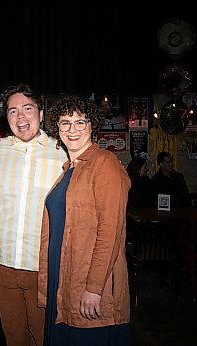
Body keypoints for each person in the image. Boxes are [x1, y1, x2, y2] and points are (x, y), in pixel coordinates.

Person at [0, 84, 67, 345]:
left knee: (43, 339)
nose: (20, 117)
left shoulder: (61, 152)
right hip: (2, 266)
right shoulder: (0, 150)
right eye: (13, 111)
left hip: (41, 267)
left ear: (41, 113)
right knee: (13, 338)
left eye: (27, 109)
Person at [38, 95, 131, 345]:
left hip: (87, 282)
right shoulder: (70, 168)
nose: (72, 129)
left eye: (81, 122)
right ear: (57, 129)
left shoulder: (105, 164)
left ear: (93, 125)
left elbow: (110, 233)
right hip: (64, 277)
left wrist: (94, 288)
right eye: (65, 123)